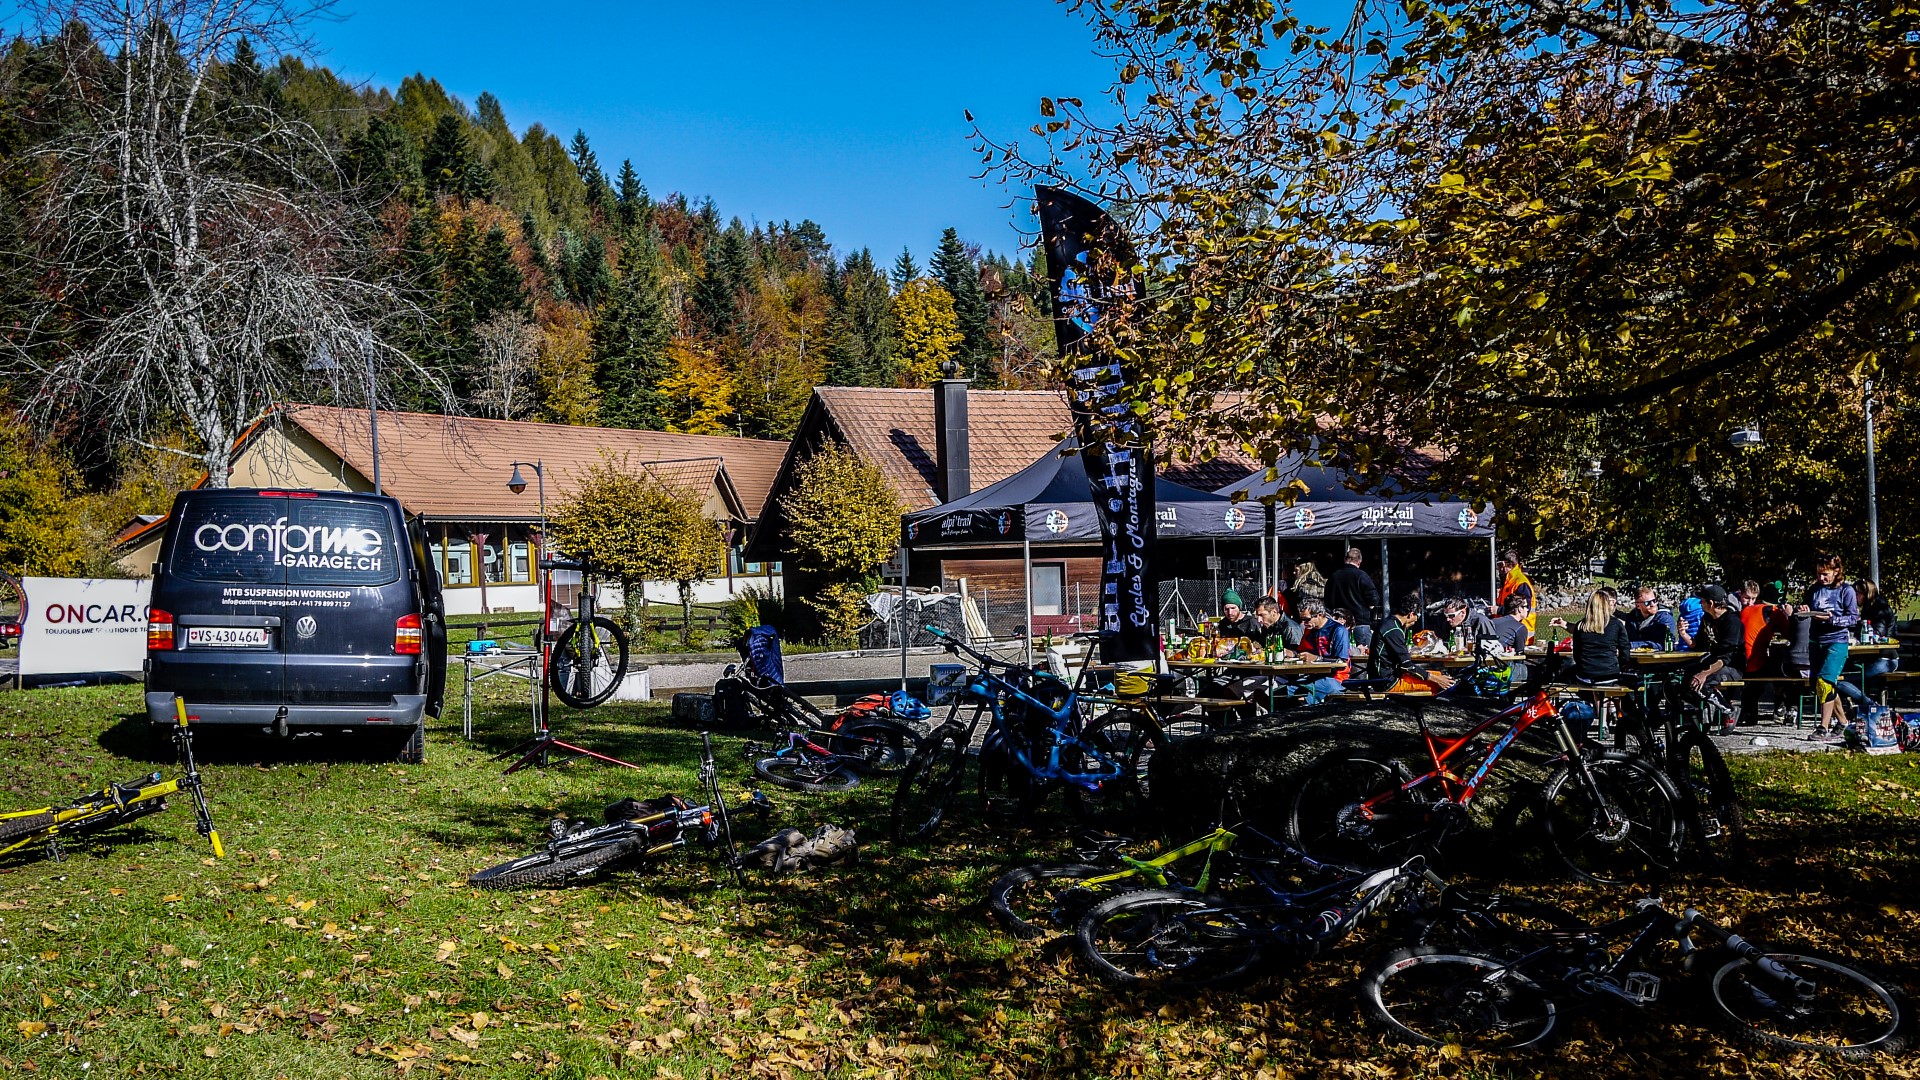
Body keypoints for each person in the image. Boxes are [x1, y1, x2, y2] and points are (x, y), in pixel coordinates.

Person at [1800, 554, 1859, 740]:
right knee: (1822, 685)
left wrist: (1832, 619)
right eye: (1819, 573)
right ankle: (1843, 722)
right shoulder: (1814, 589)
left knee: (1825, 682)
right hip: (1816, 641)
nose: (1821, 577)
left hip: (1836, 641)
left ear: (1836, 571)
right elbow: (1806, 607)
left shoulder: (1846, 590)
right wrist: (1804, 611)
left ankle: (1823, 727)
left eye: (1825, 574)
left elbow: (1853, 618)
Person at [1685, 585, 1746, 734]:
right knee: (1683, 679)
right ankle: (1698, 716)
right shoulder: (1707, 618)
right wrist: (1684, 634)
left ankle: (1728, 710)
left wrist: (1704, 673)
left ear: (1711, 603)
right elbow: (1699, 645)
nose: (1700, 603)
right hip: (1712, 662)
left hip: (1732, 666)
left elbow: (1726, 657)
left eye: (1702, 601)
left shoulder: (1732, 622)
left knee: (1702, 682)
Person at [1834, 579, 1898, 714]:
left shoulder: (1879, 609)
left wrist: (1858, 629)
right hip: (1871, 658)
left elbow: (1876, 635)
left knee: (1838, 679)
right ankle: (1856, 708)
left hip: (1885, 659)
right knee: (1840, 670)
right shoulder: (1870, 608)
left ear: (1865, 594)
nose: (1853, 598)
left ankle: (1870, 705)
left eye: (1855, 594)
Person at [1372, 592, 1454, 693]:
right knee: (1439, 684)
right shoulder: (1394, 630)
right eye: (1416, 618)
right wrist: (1437, 680)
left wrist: (1436, 677)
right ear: (1411, 614)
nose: (1415, 622)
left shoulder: (1390, 624)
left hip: (1387, 676)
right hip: (1387, 682)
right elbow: (1407, 666)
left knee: (1441, 676)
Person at [1551, 588, 1632, 685]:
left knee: (1565, 674)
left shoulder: (1580, 626)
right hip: (1610, 675)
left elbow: (1577, 654)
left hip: (1585, 676)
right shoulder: (1616, 624)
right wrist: (1622, 666)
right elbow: (1625, 650)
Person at [1736, 579, 1784, 726]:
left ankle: (1749, 712)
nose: (1750, 602)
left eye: (1753, 599)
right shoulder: (1772, 611)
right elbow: (1789, 632)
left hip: (1739, 659)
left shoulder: (1741, 610)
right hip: (1752, 662)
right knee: (1781, 670)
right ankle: (1784, 708)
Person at [1292, 599, 1352, 703]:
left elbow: (1342, 662)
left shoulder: (1338, 630)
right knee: (1283, 691)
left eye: (1307, 619)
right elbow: (1302, 652)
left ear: (1320, 615)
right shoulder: (1309, 629)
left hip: (1337, 679)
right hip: (1313, 676)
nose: (1303, 623)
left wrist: (1317, 658)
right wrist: (1289, 653)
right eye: (1301, 619)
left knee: (1302, 695)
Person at [1325, 547, 1382, 627]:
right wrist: (1369, 607)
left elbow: (1327, 601)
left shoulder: (1333, 577)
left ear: (1345, 560)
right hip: (1360, 622)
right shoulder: (1362, 575)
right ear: (1359, 562)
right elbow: (1374, 598)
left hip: (1338, 622)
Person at [1488, 594, 1533, 684]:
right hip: (1502, 669)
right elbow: (1519, 657)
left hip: (1485, 666)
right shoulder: (1520, 627)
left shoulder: (1492, 622)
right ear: (1519, 609)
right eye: (1525, 606)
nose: (1527, 609)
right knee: (1539, 671)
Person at [1495, 550, 1537, 636]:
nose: (1498, 568)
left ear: (1504, 564)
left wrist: (1498, 610)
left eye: (1498, 565)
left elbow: (1521, 609)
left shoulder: (1520, 583)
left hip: (1520, 633)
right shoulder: (1509, 581)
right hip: (1509, 631)